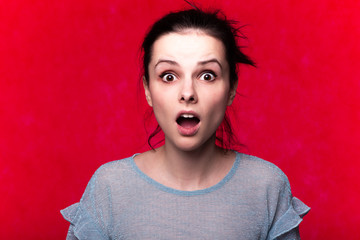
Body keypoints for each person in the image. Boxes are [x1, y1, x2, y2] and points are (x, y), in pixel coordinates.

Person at [61, 7, 310, 240]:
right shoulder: (109, 189)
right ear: (148, 89)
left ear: (231, 88)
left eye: (207, 75)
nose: (188, 93)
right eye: (169, 76)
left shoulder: (267, 187)